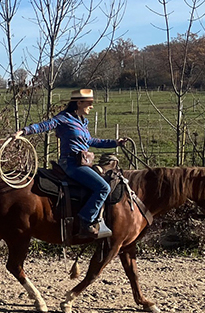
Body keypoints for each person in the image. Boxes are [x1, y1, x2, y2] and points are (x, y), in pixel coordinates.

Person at [12, 88, 130, 241]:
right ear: (79, 102)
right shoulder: (64, 118)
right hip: (71, 164)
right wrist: (23, 131)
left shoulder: (82, 122)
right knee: (103, 188)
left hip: (83, 164)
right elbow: (45, 125)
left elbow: (91, 141)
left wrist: (115, 143)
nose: (91, 106)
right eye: (89, 103)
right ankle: (86, 221)